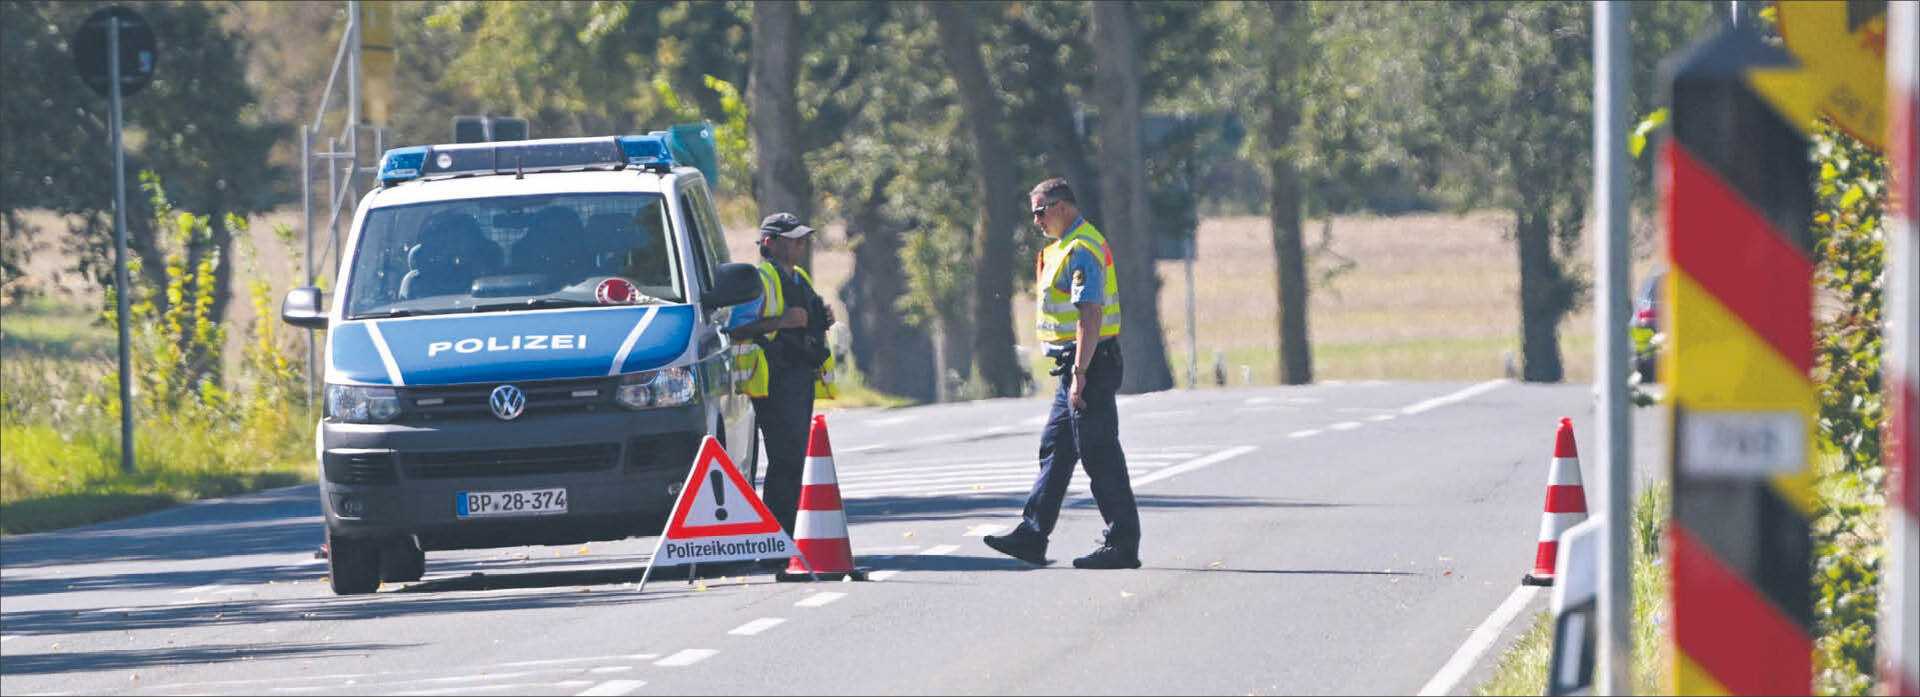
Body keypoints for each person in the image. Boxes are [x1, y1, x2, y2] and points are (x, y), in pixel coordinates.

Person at [983, 178, 1142, 570]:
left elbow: (1090, 313)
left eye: (1041, 210)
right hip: (1074, 365)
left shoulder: (1081, 247)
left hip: (1090, 363)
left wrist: (1081, 372)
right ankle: (1033, 535)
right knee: (1056, 448)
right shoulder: (1058, 249)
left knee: (1099, 452)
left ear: (1063, 206)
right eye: (1033, 212)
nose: (1036, 220)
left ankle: (1122, 543)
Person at [727, 212, 834, 541]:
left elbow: (806, 324)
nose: (800, 244)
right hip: (773, 380)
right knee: (784, 459)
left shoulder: (800, 276)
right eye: (793, 239)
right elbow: (735, 329)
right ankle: (776, 537)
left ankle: (788, 534)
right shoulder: (760, 280)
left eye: (802, 238)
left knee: (795, 457)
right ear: (770, 243)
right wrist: (780, 322)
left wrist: (822, 319)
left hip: (799, 378)